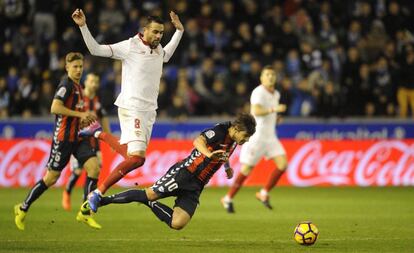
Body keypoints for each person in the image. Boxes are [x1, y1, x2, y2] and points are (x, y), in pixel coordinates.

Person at [71, 8, 184, 212]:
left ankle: (98, 132)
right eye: (155, 32)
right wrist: (83, 27)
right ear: (145, 30)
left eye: (161, 33)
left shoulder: (158, 50)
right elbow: (96, 49)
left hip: (149, 110)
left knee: (133, 158)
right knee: (137, 158)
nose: (158, 36)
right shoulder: (130, 46)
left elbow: (166, 56)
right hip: (132, 107)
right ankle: (97, 193)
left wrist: (179, 31)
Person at [80, 113, 256, 230]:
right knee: (148, 194)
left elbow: (223, 153)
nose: (246, 141)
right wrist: (209, 154)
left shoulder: (234, 139)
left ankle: (149, 202)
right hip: (185, 173)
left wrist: (226, 167)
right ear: (238, 129)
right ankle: (103, 201)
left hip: (197, 185)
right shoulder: (219, 131)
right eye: (246, 137)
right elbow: (197, 142)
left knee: (178, 223)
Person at [14, 52, 102, 230]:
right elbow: (55, 107)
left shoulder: (78, 87)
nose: (78, 70)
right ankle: (22, 208)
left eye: (80, 67)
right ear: (67, 67)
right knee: (51, 178)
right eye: (75, 67)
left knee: (94, 167)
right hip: (63, 139)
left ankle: (84, 213)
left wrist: (82, 120)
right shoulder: (66, 85)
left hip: (77, 137)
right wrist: (80, 114)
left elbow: (75, 113)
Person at [221, 66, 288, 213]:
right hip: (256, 138)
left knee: (283, 164)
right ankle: (228, 198)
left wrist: (276, 118)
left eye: (272, 74)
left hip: (270, 137)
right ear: (261, 78)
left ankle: (263, 193)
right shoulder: (258, 92)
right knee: (246, 169)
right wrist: (274, 110)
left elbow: (268, 114)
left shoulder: (276, 93)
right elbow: (256, 111)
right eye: (267, 74)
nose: (270, 77)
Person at [62, 73, 111, 211]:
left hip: (94, 143)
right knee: (77, 171)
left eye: (96, 81)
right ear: (86, 82)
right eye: (92, 81)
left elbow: (104, 119)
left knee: (95, 171)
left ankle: (86, 203)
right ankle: (67, 192)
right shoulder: (78, 98)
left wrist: (109, 138)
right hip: (78, 142)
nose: (94, 84)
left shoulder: (97, 102)